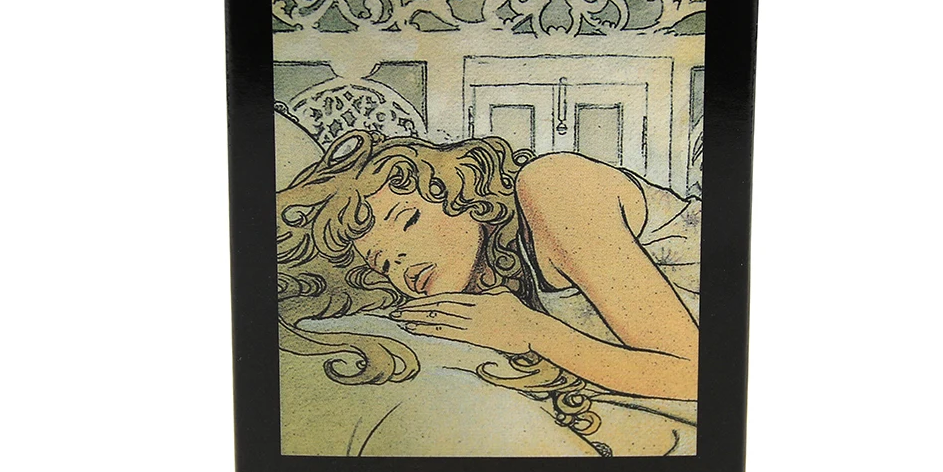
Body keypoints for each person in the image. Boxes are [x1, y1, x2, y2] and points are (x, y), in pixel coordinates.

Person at [277, 129, 701, 404]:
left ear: (461, 191)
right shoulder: (499, 280)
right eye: (383, 263)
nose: (400, 263)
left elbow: (695, 377)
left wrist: (532, 332)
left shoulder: (552, 187)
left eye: (408, 221)